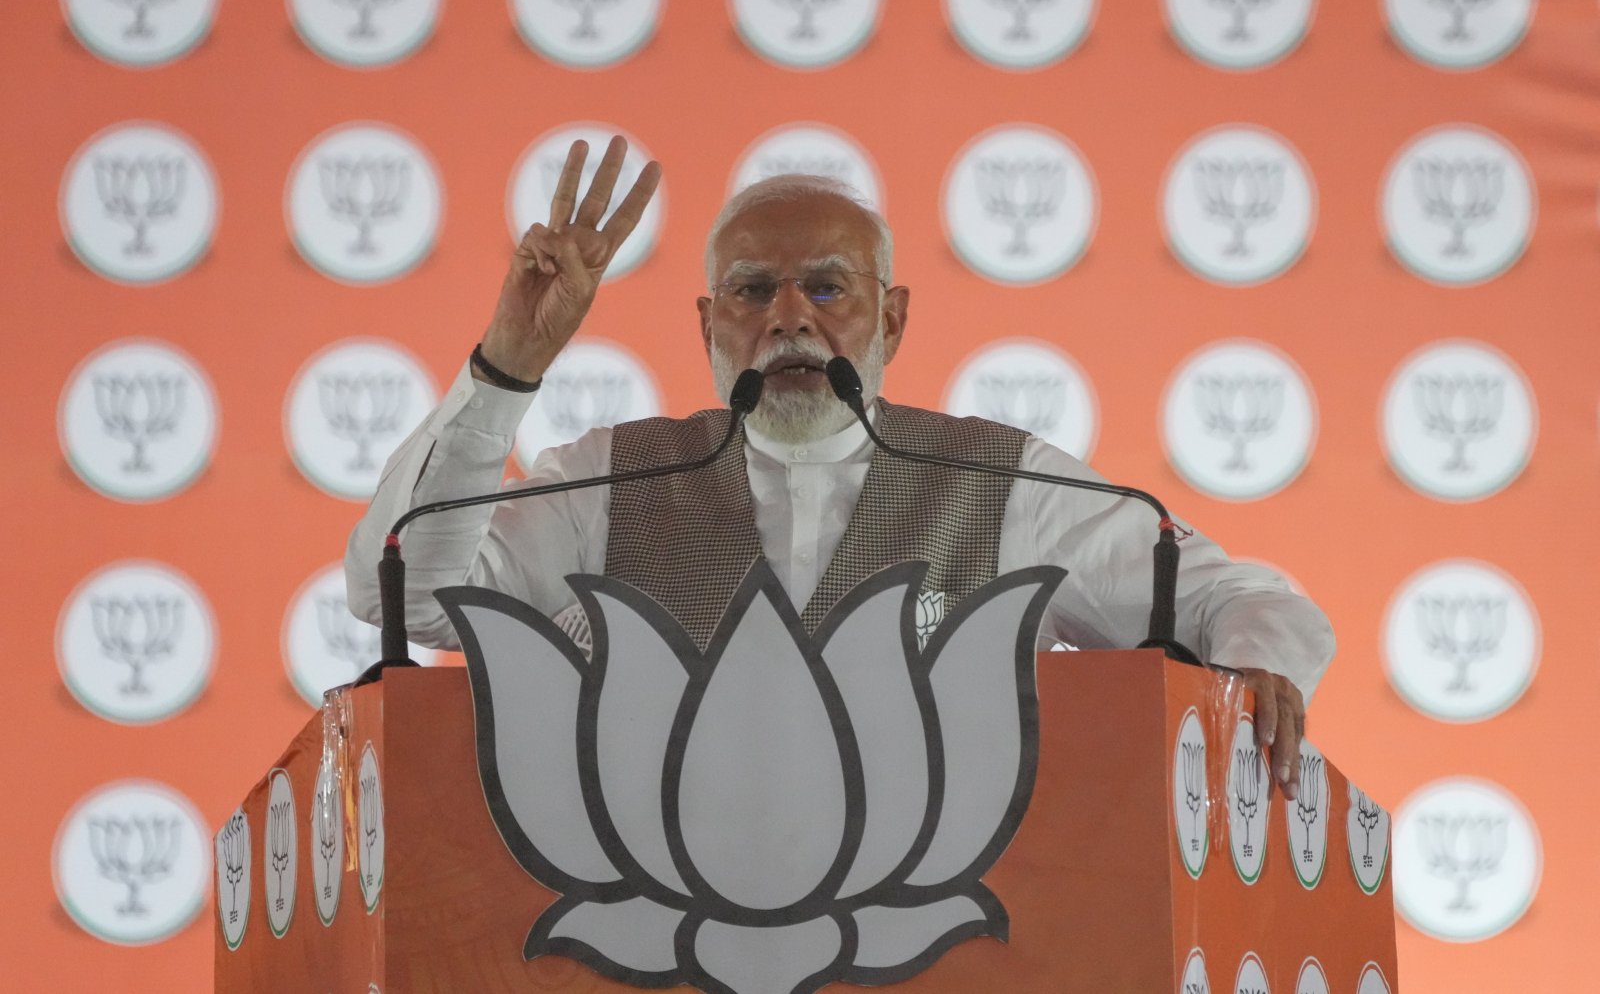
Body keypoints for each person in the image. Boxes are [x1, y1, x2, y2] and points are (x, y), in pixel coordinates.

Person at [345, 135, 1333, 800]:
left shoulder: (1004, 486)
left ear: (892, 316)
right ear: (707, 324)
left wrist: (1251, 669)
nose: (788, 318)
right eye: (750, 290)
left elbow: (1246, 603)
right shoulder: (608, 481)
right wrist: (508, 366)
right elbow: (402, 592)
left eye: (826, 285)